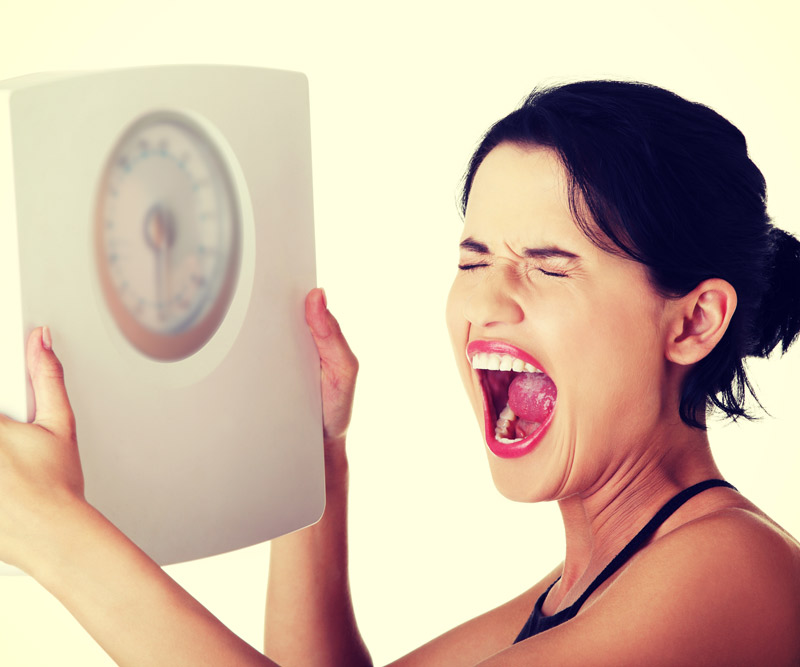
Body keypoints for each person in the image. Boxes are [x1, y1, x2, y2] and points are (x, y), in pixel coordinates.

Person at [1, 80, 799, 665]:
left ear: (693, 321)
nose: (485, 301)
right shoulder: (586, 587)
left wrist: (56, 533)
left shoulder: (732, 571)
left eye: (549, 266)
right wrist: (312, 450)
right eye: (472, 260)